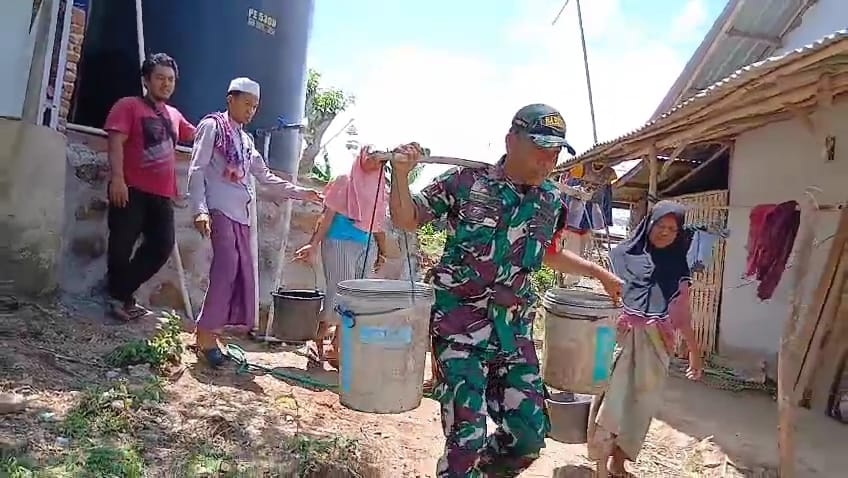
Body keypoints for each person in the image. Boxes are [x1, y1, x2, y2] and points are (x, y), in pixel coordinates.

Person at [389, 104, 624, 478]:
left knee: (528, 436)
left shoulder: (550, 200)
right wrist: (401, 175)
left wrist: (601, 274)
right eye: (539, 148)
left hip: (512, 331)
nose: (548, 160)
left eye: (555, 152)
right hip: (458, 327)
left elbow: (548, 252)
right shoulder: (466, 182)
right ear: (511, 141)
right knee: (466, 439)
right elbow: (407, 218)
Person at [187, 77, 322, 366]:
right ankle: (205, 336)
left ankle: (209, 331)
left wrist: (302, 193)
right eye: (246, 104)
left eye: (255, 106)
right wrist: (199, 209)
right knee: (226, 269)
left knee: (238, 274)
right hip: (219, 208)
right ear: (231, 99)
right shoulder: (212, 127)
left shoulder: (246, 142)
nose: (250, 111)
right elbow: (196, 169)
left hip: (241, 214)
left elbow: (266, 177)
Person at [588, 200, 704, 477]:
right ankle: (600, 463)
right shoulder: (620, 255)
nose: (665, 232)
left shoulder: (678, 267)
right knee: (607, 399)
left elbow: (681, 313)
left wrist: (694, 351)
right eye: (660, 225)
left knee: (641, 405)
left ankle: (619, 462)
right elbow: (600, 300)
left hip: (655, 341)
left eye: (672, 229)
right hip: (613, 336)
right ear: (648, 224)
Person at [103, 53, 195, 321]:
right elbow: (115, 143)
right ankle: (120, 299)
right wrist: (117, 179)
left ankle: (118, 293)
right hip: (131, 189)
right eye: (160, 78)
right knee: (121, 246)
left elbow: (198, 134)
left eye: (171, 80)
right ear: (146, 80)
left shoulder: (174, 115)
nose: (166, 84)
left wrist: (223, 124)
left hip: (162, 195)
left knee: (162, 246)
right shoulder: (128, 106)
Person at [294, 145, 388, 369]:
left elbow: (378, 223)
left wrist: (382, 251)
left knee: (358, 298)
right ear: (362, 156)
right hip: (339, 241)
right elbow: (326, 216)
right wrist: (313, 244)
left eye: (380, 160)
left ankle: (336, 347)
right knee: (339, 294)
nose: (374, 162)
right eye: (371, 157)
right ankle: (318, 339)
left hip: (365, 244)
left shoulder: (380, 186)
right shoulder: (345, 181)